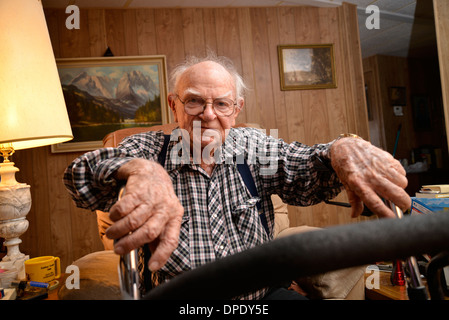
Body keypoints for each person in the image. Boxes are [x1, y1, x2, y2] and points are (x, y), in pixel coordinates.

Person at [63, 53, 411, 300]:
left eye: (222, 104)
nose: (208, 115)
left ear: (237, 109)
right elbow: (81, 174)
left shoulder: (253, 146)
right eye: (194, 102)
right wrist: (141, 170)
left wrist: (339, 149)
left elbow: (304, 167)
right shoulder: (149, 148)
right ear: (173, 105)